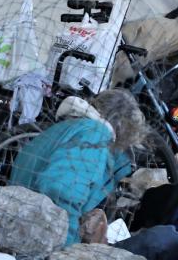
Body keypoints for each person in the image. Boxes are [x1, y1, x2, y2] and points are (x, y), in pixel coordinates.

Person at [9, 89, 147, 245]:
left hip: (22, 218)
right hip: (36, 231)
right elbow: (62, 191)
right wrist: (68, 246)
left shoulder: (77, 126)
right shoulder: (96, 134)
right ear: (123, 128)